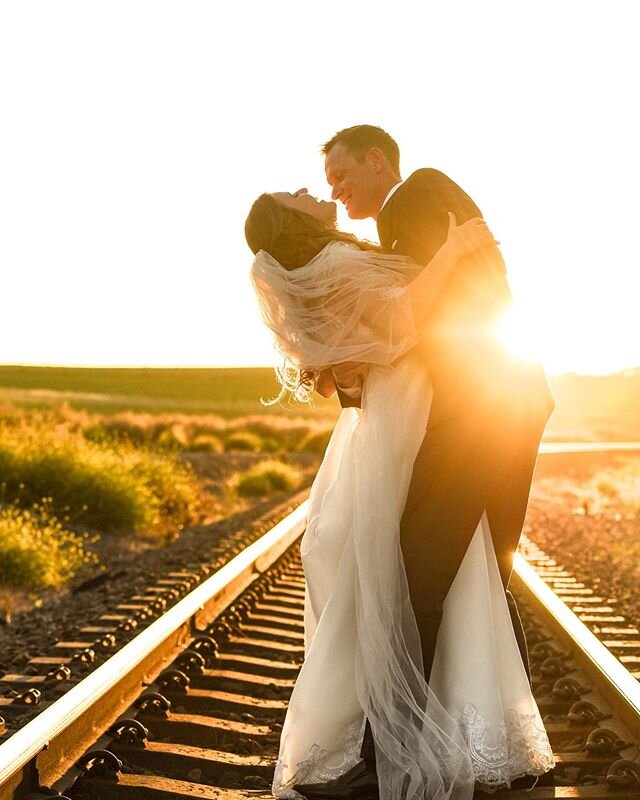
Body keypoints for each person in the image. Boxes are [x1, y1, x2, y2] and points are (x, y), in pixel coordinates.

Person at [245, 189, 555, 800]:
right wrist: (455, 248)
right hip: (409, 421)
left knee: (435, 571)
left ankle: (422, 733)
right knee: (417, 574)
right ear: (289, 220)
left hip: (409, 416)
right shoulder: (331, 265)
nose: (312, 191)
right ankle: (397, 742)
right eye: (296, 194)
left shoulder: (334, 258)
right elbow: (401, 320)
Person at [323, 126, 556, 792]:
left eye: (342, 174)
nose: (336, 190)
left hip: (478, 413)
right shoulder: (404, 216)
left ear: (377, 162)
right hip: (497, 404)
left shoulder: (415, 196)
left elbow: (420, 316)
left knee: (412, 578)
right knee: (478, 568)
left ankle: (383, 762)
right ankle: (512, 749)